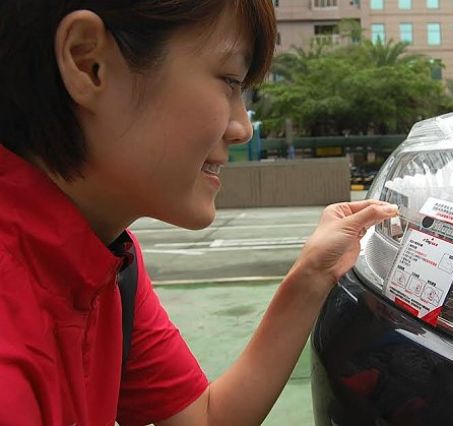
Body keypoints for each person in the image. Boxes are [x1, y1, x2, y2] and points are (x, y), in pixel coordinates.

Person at [0, 1, 398, 425]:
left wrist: (312, 273)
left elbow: (204, 418)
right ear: (89, 63)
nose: (242, 127)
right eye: (228, 81)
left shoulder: (107, 262)